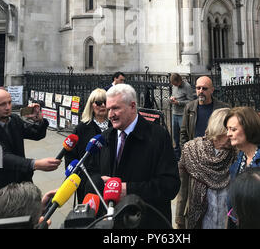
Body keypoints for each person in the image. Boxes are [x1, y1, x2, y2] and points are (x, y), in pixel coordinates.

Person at [86, 84, 180, 229]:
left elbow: (170, 185)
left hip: (148, 223)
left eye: (116, 108)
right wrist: (100, 184)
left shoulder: (158, 136)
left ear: (132, 106)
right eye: (109, 108)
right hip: (112, 222)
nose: (110, 114)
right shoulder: (105, 137)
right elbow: (92, 172)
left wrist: (128, 190)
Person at [175, 108, 236, 229]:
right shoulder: (191, 150)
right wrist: (179, 217)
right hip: (200, 219)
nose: (232, 135)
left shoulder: (236, 153)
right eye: (229, 130)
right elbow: (183, 188)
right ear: (219, 129)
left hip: (227, 219)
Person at [0, 89, 61, 190]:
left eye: (9, 102)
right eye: (2, 104)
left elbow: (36, 135)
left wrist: (39, 120)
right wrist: (35, 164)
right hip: (2, 185)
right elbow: (1, 158)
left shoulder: (14, 119)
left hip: (22, 180)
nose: (8, 107)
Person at [65, 88, 111, 201]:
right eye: (99, 103)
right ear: (91, 105)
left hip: (111, 180)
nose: (103, 105)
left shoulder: (114, 125)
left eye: (106, 102)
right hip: (88, 181)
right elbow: (71, 156)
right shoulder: (82, 128)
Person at [180, 76, 230, 147]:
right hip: (195, 151)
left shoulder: (222, 108)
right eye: (198, 88)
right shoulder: (189, 107)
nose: (201, 91)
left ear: (212, 90)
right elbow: (184, 132)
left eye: (204, 88)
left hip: (216, 150)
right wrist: (185, 150)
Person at [169, 73, 194, 160]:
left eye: (175, 84)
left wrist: (179, 103)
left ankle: (186, 156)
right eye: (173, 84)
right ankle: (177, 156)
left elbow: (191, 101)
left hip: (182, 115)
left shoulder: (187, 86)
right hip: (174, 113)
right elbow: (174, 95)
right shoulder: (174, 86)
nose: (174, 85)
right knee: (175, 136)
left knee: (184, 136)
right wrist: (171, 99)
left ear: (179, 81)